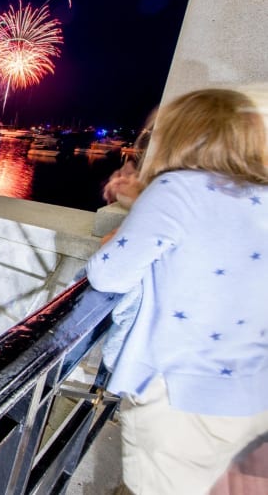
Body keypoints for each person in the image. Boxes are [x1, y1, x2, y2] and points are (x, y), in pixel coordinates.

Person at [85, 87, 268, 494]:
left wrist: (116, 238)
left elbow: (109, 274)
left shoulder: (177, 189)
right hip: (252, 395)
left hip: (179, 395)